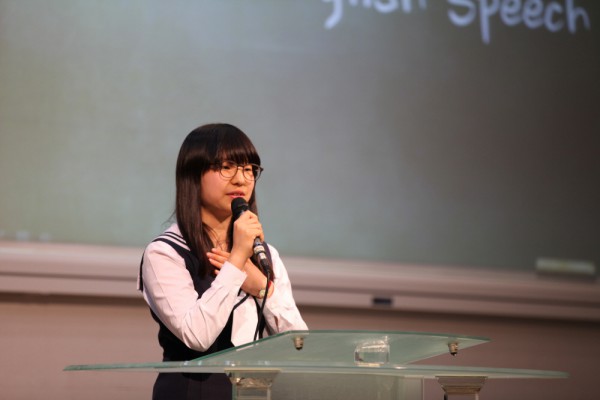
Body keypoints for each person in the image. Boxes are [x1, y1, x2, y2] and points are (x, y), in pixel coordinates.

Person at [137, 123, 308, 399]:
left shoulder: (266, 256)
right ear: (194, 174)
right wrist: (237, 260)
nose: (242, 179)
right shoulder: (165, 253)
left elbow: (299, 346)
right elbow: (197, 336)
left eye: (249, 169)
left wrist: (263, 288)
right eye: (227, 167)